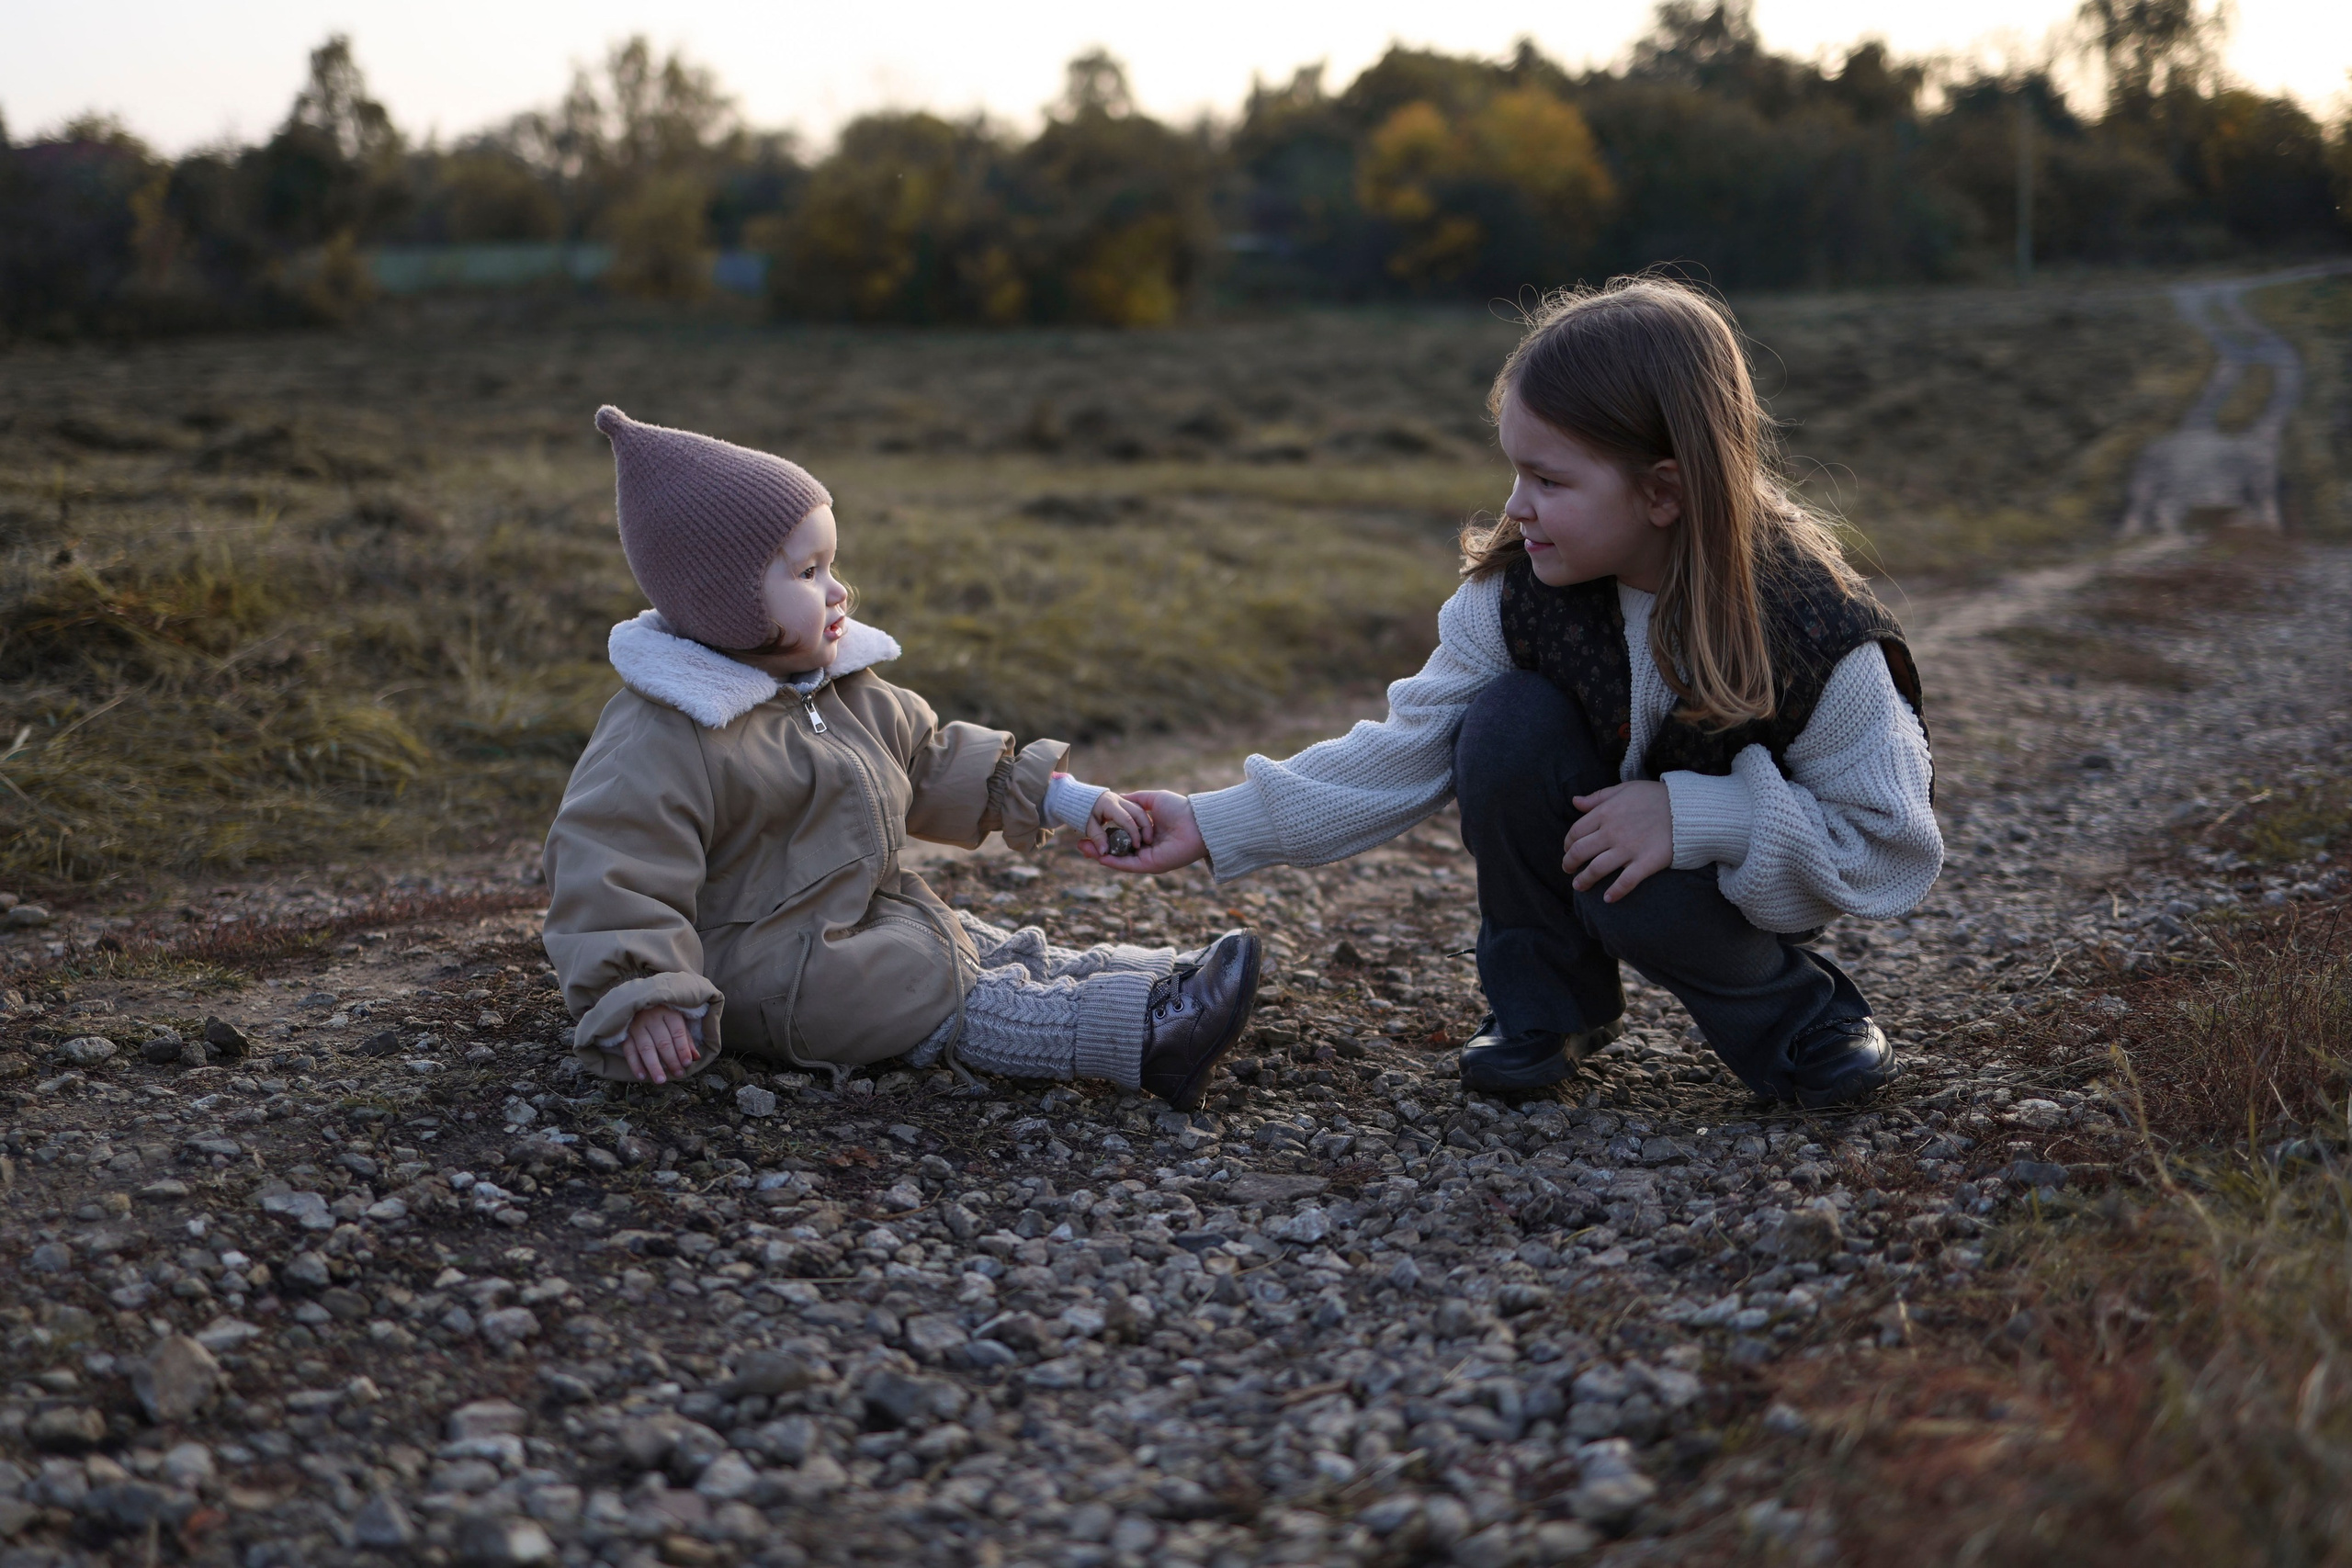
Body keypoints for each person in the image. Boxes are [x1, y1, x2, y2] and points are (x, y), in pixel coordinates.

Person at [1091, 277, 1941, 1108]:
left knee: (1644, 891)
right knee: (1500, 725)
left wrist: (1697, 817)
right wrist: (1211, 821)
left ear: (1663, 490)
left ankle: (1800, 1019)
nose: (1516, 505)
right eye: (1514, 472)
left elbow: (1890, 840)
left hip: (1744, 880)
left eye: (1550, 481)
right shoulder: (1518, 592)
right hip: (1598, 835)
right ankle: (1548, 1009)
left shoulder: (1813, 629)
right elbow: (1403, 752)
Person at [540, 406, 1260, 1109]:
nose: (838, 590)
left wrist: (1063, 798)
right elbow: (612, 868)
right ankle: (1142, 1037)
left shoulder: (837, 686)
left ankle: (1153, 984)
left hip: (849, 923)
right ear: (723, 600)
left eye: (833, 564)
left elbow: (929, 759)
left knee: (963, 937)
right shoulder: (669, 729)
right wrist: (645, 993)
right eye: (808, 572)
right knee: (936, 982)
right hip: (766, 972)